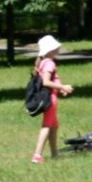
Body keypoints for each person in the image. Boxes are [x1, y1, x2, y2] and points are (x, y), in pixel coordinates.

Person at [32, 35, 74, 163]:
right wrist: (63, 87)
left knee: (54, 125)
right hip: (50, 98)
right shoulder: (49, 63)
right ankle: (37, 155)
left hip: (50, 96)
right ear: (50, 50)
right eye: (56, 48)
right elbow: (46, 82)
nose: (58, 49)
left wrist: (60, 89)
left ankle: (55, 154)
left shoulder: (43, 62)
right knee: (47, 126)